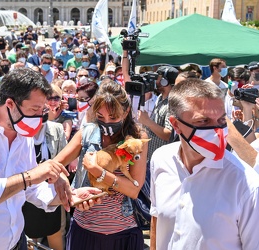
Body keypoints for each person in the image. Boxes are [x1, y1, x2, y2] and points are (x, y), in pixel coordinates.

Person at [0, 68, 102, 249]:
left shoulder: (22, 132)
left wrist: (66, 196)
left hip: (16, 242)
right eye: (35, 109)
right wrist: (28, 177)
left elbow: (32, 190)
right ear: (10, 104)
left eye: (43, 109)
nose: (40, 117)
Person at [150, 78, 259, 250]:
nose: (216, 131)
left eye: (222, 121)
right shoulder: (161, 159)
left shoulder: (247, 185)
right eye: (203, 121)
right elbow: (157, 218)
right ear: (176, 125)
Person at [53, 80, 149, 250]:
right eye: (100, 116)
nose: (107, 122)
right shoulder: (87, 134)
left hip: (124, 233)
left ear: (126, 112)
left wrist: (98, 171)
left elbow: (134, 189)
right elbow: (55, 166)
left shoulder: (136, 139)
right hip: (84, 231)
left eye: (113, 117)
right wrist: (70, 191)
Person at [22, 118, 67, 250]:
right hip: (28, 193)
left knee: (55, 232)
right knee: (31, 238)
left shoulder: (56, 128)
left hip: (52, 190)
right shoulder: (20, 133)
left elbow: (64, 159)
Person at [138, 65, 179, 160]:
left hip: (161, 159)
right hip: (150, 155)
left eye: (158, 79)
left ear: (165, 81)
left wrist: (147, 121)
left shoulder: (172, 103)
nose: (155, 82)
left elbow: (168, 134)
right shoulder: (160, 98)